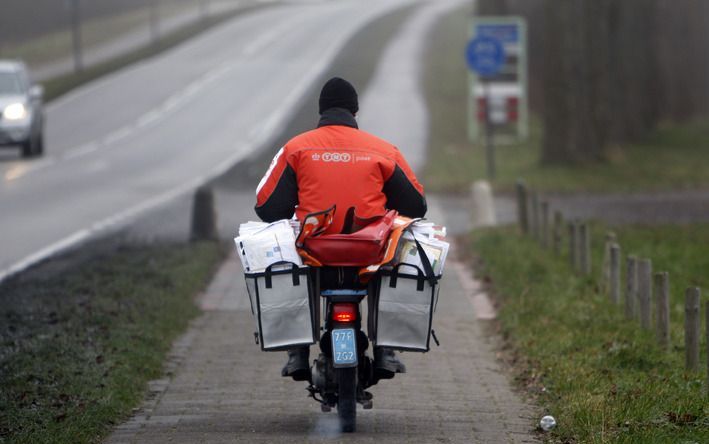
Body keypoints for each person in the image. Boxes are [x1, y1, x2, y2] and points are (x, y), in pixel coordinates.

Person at [255, 77, 427, 381]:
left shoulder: (296, 148)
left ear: (320, 112)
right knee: (396, 249)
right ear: (355, 113)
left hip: (316, 252)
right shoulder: (384, 151)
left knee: (284, 253)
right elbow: (416, 206)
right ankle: (386, 349)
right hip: (367, 253)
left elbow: (267, 206)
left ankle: (297, 351)